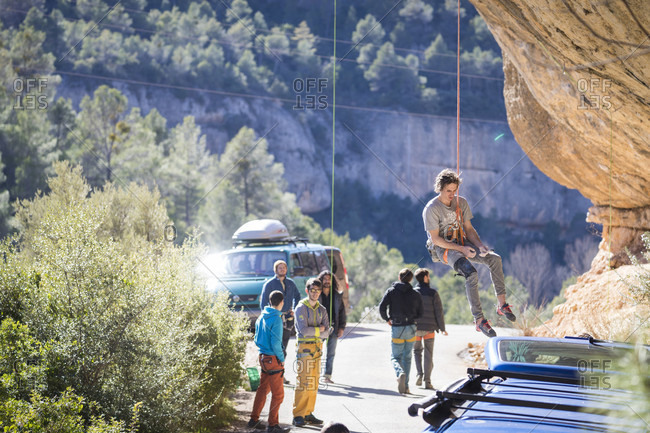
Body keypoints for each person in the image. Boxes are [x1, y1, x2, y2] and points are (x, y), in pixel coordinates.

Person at [423, 169, 516, 338]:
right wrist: (462, 249)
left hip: (461, 240)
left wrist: (479, 245)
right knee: (471, 274)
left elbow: (469, 229)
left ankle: (502, 305)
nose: (452, 195)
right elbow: (435, 239)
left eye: (454, 190)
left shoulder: (461, 203)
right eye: (448, 191)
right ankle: (479, 320)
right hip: (444, 248)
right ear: (440, 189)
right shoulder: (432, 209)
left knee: (495, 259)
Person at [248, 290, 291, 433]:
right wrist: (282, 359)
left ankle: (253, 420)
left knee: (263, 389)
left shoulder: (261, 316)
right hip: (273, 359)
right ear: (282, 302)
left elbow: (255, 338)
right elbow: (276, 343)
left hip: (262, 357)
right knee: (278, 394)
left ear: (270, 301)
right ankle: (272, 426)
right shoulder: (276, 319)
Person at [292, 278, 330, 427]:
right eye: (312, 290)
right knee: (303, 383)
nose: (315, 293)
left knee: (314, 383)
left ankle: (308, 412)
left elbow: (326, 333)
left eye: (318, 291)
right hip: (304, 350)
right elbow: (303, 330)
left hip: (318, 350)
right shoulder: (300, 308)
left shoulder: (322, 310)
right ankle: (298, 415)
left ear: (320, 292)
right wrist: (318, 330)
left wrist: (319, 331)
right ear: (307, 291)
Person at [379, 268, 423, 394]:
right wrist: (414, 319)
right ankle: (407, 386)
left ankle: (400, 373)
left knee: (395, 357)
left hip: (397, 326)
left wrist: (387, 319)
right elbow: (421, 313)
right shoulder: (415, 294)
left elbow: (382, 307)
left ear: (399, 277)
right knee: (407, 357)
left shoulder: (391, 291)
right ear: (411, 279)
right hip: (411, 327)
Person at [260, 260, 301, 383]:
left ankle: (280, 375)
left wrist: (294, 309)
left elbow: (298, 297)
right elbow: (263, 303)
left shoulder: (291, 283)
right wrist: (268, 317)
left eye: (284, 267)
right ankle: (271, 375)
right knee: (273, 347)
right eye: (280, 267)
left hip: (288, 319)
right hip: (274, 320)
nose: (282, 269)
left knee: (283, 348)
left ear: (286, 269)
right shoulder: (269, 284)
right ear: (275, 270)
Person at [412, 268, 447, 390]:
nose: (430, 278)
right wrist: (442, 328)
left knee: (417, 351)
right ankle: (427, 381)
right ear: (425, 278)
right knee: (428, 354)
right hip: (429, 329)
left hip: (415, 328)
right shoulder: (433, 293)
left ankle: (419, 374)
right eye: (428, 276)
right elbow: (439, 312)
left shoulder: (413, 292)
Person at [318, 270, 346, 384]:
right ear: (321, 280)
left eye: (329, 279)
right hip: (319, 329)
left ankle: (327, 376)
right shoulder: (317, 294)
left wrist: (342, 327)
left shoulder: (337, 295)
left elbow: (342, 312)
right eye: (324, 279)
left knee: (331, 353)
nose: (327, 281)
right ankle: (315, 374)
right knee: (317, 352)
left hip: (333, 328)